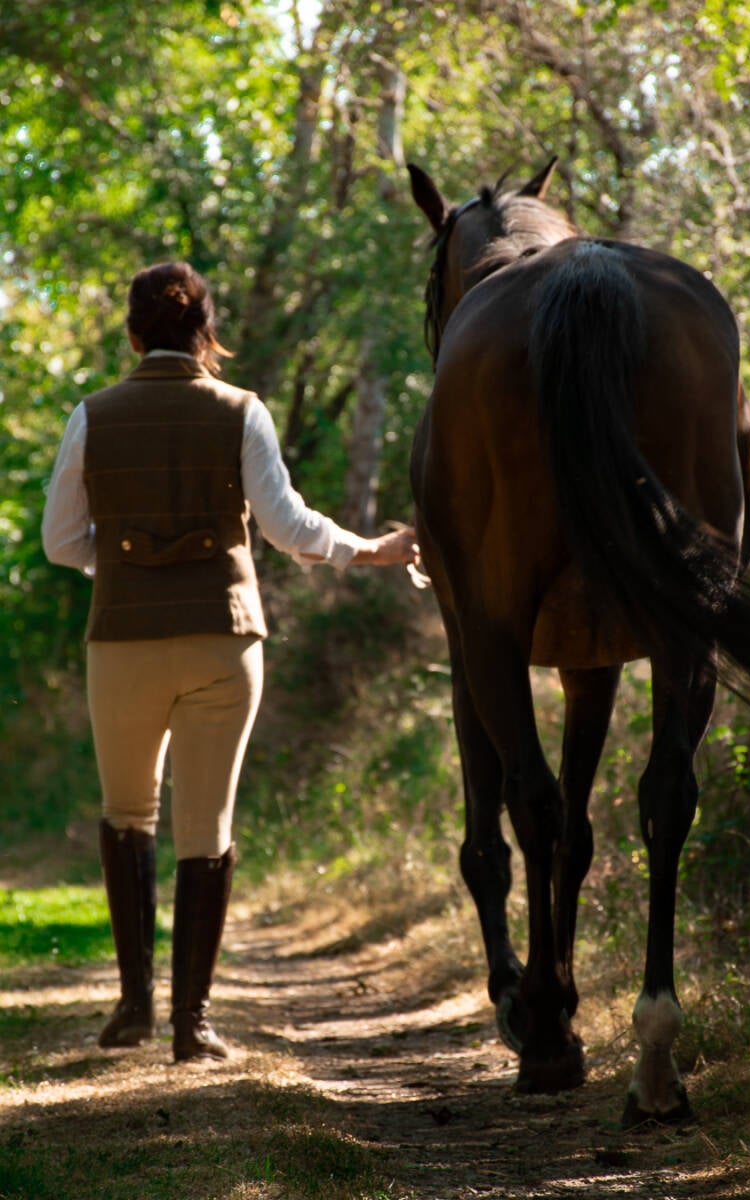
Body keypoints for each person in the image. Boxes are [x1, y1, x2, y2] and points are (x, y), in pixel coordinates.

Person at [41, 261, 418, 1064]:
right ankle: (193, 1026)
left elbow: (59, 541)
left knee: (126, 815)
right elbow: (286, 525)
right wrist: (370, 551)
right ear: (207, 334)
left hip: (123, 644)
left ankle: (135, 1008)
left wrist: (127, 564)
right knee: (206, 826)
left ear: (134, 333)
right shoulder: (242, 411)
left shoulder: (91, 415)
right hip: (225, 638)